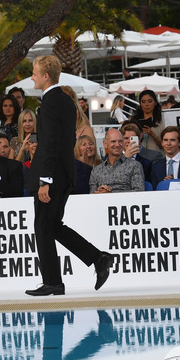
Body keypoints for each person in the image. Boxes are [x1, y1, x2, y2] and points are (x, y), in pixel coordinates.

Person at [26, 55, 113, 296]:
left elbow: (51, 143)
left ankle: (54, 281)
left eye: (34, 73)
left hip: (53, 175)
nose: (31, 77)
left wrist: (45, 180)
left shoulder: (53, 101)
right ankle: (97, 259)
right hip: (62, 173)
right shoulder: (64, 100)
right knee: (52, 226)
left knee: (44, 227)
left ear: (45, 76)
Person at [89, 128, 145, 193]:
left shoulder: (135, 166)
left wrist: (110, 194)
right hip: (103, 202)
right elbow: (92, 196)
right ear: (105, 144)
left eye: (120, 141)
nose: (117, 144)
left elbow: (139, 192)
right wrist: (100, 192)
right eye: (113, 141)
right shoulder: (96, 170)